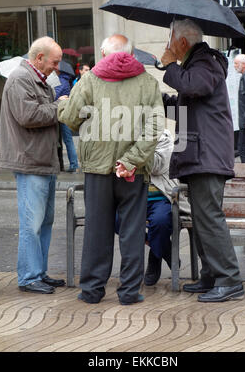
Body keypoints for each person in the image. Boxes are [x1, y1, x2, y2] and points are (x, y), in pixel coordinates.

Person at [58, 34, 164, 305]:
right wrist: (131, 160)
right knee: (132, 232)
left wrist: (63, 105)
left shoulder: (90, 80)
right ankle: (129, 292)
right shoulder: (148, 82)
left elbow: (70, 119)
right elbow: (154, 129)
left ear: (105, 53)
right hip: (133, 171)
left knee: (97, 230)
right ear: (131, 53)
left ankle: (92, 290)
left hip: (97, 168)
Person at [160, 19, 244, 303]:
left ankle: (230, 279)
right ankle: (211, 274)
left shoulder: (205, 62)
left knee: (209, 218)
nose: (168, 45)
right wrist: (164, 101)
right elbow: (189, 106)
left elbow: (194, 87)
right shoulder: (197, 65)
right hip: (200, 154)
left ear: (182, 42)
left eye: (171, 39)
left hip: (207, 155)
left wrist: (170, 66)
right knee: (202, 219)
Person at [0, 36, 67, 294]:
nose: (57, 68)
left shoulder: (37, 78)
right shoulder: (20, 79)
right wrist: (59, 107)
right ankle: (29, 277)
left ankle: (39, 272)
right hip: (30, 161)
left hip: (42, 160)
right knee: (32, 224)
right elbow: (28, 116)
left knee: (44, 223)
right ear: (39, 58)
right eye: (55, 62)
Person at [143, 129, 191, 286]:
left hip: (161, 197)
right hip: (134, 199)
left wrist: (133, 152)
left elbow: (157, 166)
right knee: (115, 218)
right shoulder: (124, 134)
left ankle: (154, 258)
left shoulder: (163, 136)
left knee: (161, 221)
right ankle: (166, 251)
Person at [55, 71, 79, 172]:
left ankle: (74, 165)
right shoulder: (65, 80)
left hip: (62, 112)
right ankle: (71, 164)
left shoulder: (61, 81)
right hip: (63, 111)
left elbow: (55, 95)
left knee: (67, 139)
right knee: (66, 140)